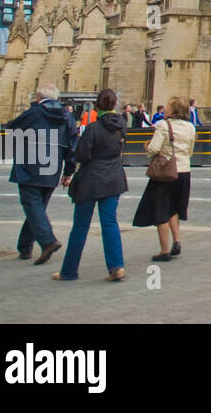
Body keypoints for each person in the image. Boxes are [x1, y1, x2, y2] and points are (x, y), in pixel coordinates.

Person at [53, 89, 128, 282]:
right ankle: (116, 266)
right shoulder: (122, 126)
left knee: (80, 226)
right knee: (110, 222)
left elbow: (81, 155)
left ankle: (69, 271)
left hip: (92, 179)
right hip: (114, 178)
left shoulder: (93, 128)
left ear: (97, 105)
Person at [5, 83, 77, 264]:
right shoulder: (67, 115)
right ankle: (25, 248)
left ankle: (48, 241)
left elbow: (11, 128)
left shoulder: (35, 112)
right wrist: (68, 171)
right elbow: (72, 145)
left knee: (31, 203)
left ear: (38, 97)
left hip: (31, 163)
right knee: (37, 207)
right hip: (53, 165)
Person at [133, 97, 196, 261]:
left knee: (161, 209)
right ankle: (177, 241)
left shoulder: (163, 125)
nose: (165, 107)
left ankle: (164, 250)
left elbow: (154, 149)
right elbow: (190, 150)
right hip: (184, 171)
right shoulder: (190, 127)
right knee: (174, 207)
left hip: (166, 172)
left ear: (174, 110)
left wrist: (147, 147)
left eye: (168, 105)